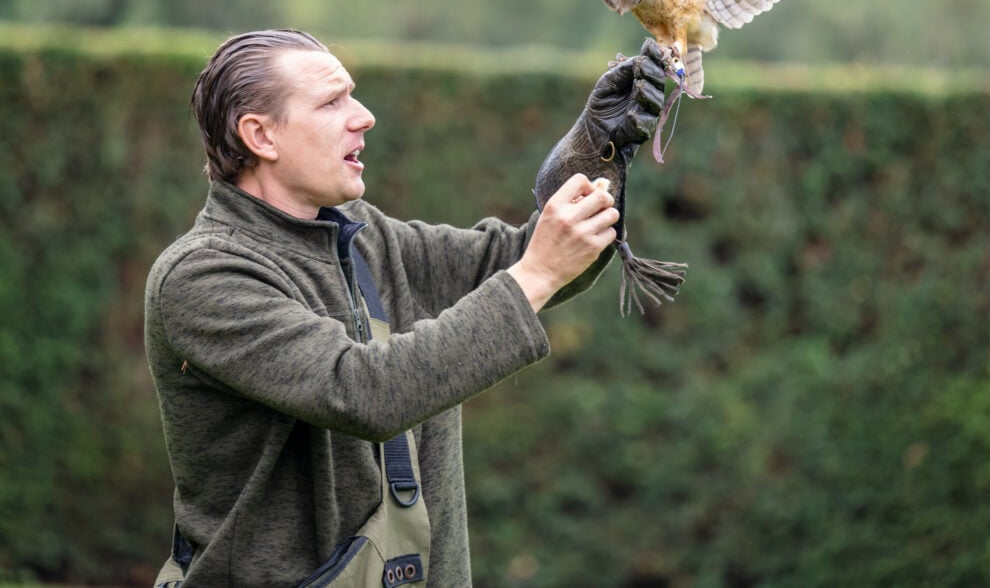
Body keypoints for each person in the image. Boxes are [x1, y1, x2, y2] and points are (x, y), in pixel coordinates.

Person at [145, 29, 667, 586]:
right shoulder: (202, 277)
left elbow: (517, 260)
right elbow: (363, 392)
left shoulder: (366, 236)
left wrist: (600, 148)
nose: (364, 116)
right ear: (261, 135)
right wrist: (536, 272)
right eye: (331, 102)